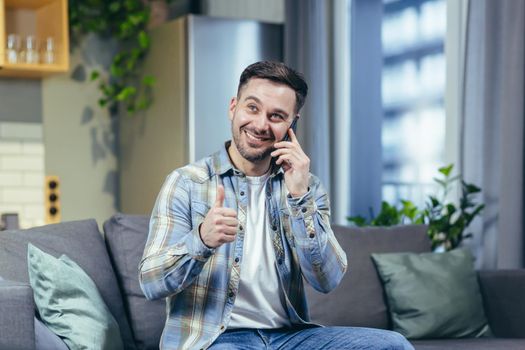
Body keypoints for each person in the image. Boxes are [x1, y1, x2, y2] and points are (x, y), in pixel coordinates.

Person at [139, 61, 413, 350]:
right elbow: (151, 283)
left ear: (292, 124)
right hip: (217, 340)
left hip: (289, 337)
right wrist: (202, 240)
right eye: (252, 108)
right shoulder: (186, 182)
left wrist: (299, 198)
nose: (260, 125)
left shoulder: (306, 186)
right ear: (234, 107)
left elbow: (327, 280)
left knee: (392, 345)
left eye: (276, 116)